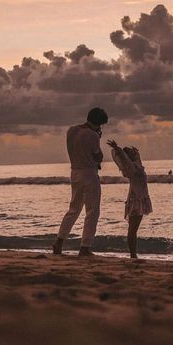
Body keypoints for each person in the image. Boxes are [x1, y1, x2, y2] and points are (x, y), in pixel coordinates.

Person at [53, 108, 108, 256]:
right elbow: (98, 157)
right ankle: (85, 246)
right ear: (97, 123)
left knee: (73, 209)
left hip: (75, 172)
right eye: (101, 125)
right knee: (92, 211)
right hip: (89, 173)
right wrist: (98, 137)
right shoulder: (92, 135)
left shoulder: (71, 130)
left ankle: (59, 241)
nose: (101, 128)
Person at [107, 140, 152, 259]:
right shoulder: (131, 169)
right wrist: (118, 149)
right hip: (136, 200)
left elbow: (137, 158)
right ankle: (133, 254)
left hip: (141, 199)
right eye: (131, 153)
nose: (133, 153)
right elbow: (126, 160)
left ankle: (133, 253)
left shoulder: (138, 166)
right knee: (132, 229)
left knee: (134, 229)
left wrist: (136, 153)